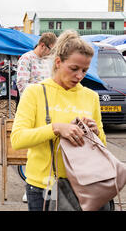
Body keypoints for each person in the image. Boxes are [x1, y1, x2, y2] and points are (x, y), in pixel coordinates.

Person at [11, 30, 107, 211]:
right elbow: (18, 139)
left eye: (85, 70)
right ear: (58, 62)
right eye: (74, 69)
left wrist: (96, 132)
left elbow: (102, 145)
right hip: (43, 187)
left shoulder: (91, 97)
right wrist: (55, 128)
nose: (79, 76)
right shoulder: (35, 92)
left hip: (84, 186)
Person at [16, 32, 57, 202]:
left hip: (51, 111)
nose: (51, 53)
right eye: (50, 49)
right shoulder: (26, 59)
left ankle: (50, 186)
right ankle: (30, 186)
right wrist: (43, 92)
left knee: (49, 151)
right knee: (32, 151)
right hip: (32, 111)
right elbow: (22, 85)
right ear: (42, 45)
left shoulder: (50, 61)